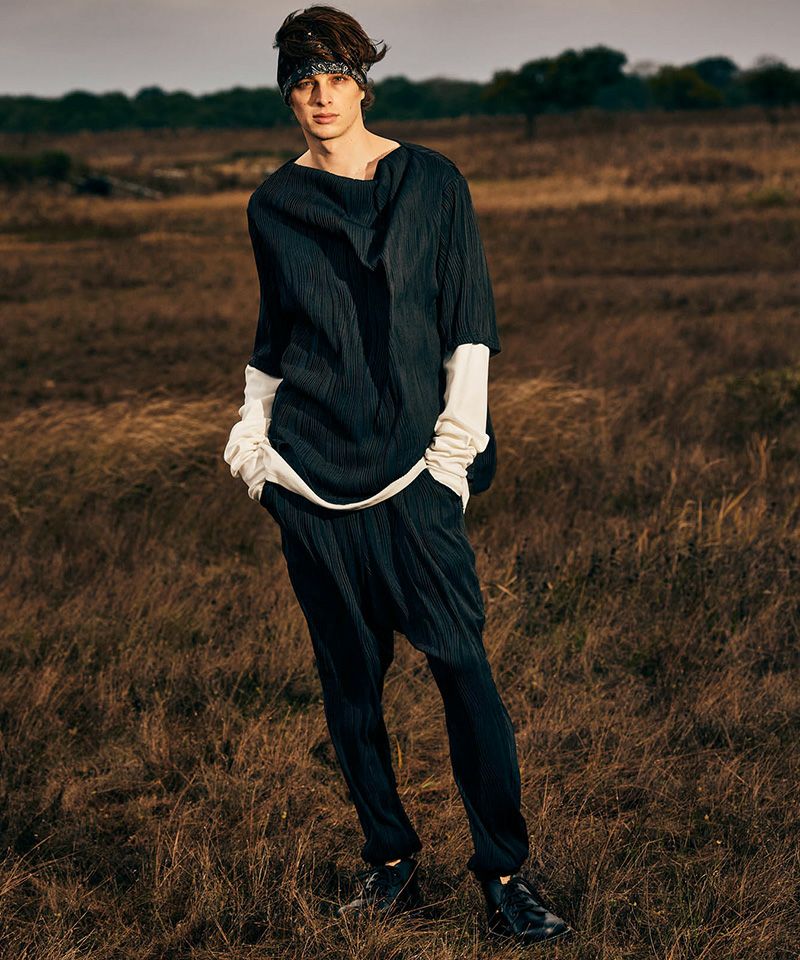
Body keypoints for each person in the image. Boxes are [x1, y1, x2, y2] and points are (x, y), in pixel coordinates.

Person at [223, 4, 573, 947]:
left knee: (462, 668)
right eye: (303, 80)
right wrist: (253, 449)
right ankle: (390, 862)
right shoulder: (272, 205)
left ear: (363, 82)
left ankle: (504, 875)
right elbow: (275, 336)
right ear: (286, 94)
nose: (320, 95)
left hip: (416, 476)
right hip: (309, 480)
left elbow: (469, 324)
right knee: (350, 684)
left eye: (336, 76)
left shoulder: (433, 182)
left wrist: (450, 461)